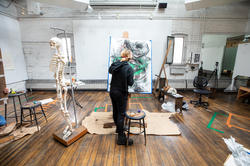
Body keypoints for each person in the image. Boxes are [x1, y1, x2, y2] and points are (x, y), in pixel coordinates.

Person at [109, 49, 134, 145]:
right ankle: (121, 138)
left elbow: (110, 70)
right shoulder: (129, 68)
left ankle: (118, 128)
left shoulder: (115, 64)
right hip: (121, 92)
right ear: (129, 56)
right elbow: (131, 83)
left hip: (113, 91)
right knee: (121, 114)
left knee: (115, 110)